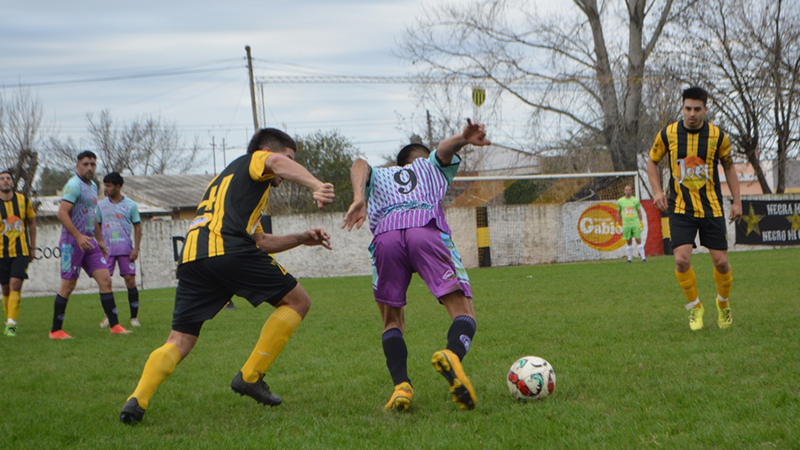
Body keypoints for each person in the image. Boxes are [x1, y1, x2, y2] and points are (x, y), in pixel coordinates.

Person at [120, 128, 335, 425]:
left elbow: (259, 241)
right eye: (288, 157)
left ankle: (136, 400)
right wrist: (315, 184)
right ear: (267, 151)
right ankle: (250, 376)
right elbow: (274, 163)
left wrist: (301, 237)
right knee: (298, 301)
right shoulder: (256, 160)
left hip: (194, 256)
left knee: (180, 338)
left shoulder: (230, 183)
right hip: (227, 248)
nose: (285, 169)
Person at [341, 119, 491, 411]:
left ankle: (402, 387)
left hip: (386, 237)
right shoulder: (431, 166)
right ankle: (452, 354)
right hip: (425, 230)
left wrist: (359, 196)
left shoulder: (381, 175)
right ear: (424, 157)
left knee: (391, 321)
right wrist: (462, 137)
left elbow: (359, 163)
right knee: (463, 312)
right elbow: (445, 150)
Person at [646, 86, 742, 331]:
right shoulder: (668, 134)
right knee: (680, 259)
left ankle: (723, 304)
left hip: (712, 207)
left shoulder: (717, 136)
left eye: (697, 109)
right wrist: (657, 191)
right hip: (680, 207)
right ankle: (695, 307)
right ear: (682, 107)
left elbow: (729, 167)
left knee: (721, 262)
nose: (692, 113)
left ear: (705, 109)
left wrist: (738, 201)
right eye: (688, 108)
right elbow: (652, 160)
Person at [49, 151, 131, 339]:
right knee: (68, 285)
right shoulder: (73, 185)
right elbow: (62, 213)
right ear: (78, 166)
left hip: (89, 242)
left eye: (93, 164)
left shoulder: (93, 186)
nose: (89, 168)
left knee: (105, 280)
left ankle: (115, 325)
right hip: (72, 243)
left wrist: (100, 240)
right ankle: (55, 330)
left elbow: (90, 214)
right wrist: (77, 236)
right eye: (86, 164)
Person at [97, 172, 143, 328]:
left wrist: (136, 248)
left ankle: (133, 318)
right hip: (107, 251)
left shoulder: (131, 205)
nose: (106, 188)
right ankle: (109, 316)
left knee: (130, 281)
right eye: (105, 185)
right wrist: (100, 242)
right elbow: (96, 224)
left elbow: (137, 226)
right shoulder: (101, 205)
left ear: (118, 186)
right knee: (105, 282)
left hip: (125, 248)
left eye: (109, 186)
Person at [0, 170, 36, 337]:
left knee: (15, 284)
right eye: (2, 179)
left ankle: (11, 325)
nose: (5, 181)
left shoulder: (23, 200)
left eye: (8, 178)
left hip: (21, 251)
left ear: (13, 183)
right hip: (1, 253)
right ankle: (9, 319)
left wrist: (33, 247)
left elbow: (31, 222)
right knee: (5, 288)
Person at [616, 184, 646, 263]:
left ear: (631, 191)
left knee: (638, 240)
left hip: (635, 223)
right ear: (624, 191)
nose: (628, 191)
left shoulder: (635, 200)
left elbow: (639, 212)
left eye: (629, 190)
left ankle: (643, 258)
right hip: (626, 224)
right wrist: (617, 223)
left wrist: (641, 222)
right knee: (629, 241)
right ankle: (629, 259)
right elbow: (618, 213)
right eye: (626, 190)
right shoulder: (620, 201)